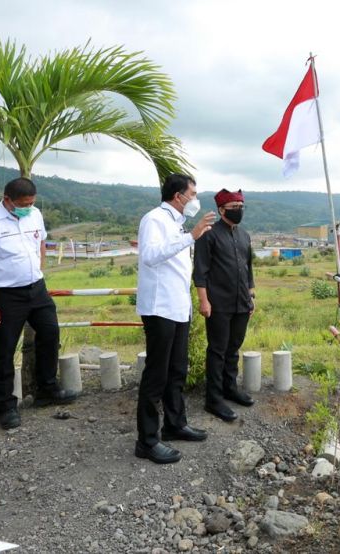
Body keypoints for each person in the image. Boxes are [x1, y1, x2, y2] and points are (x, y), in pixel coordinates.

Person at [0, 177, 76, 430]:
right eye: (23, 204)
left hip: (37, 289)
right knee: (3, 349)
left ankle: (46, 390)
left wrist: (38, 270)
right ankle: (5, 406)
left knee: (50, 334)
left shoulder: (35, 214)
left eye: (31, 202)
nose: (28, 207)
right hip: (4, 295)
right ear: (7, 200)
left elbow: (40, 243)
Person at [135, 173, 216, 464]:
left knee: (177, 370)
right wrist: (190, 237)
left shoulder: (176, 223)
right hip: (159, 308)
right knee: (156, 374)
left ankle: (174, 424)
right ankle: (146, 440)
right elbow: (150, 256)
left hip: (179, 307)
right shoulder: (154, 219)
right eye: (192, 194)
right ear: (177, 195)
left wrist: (187, 236)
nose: (194, 199)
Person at [193, 189, 256, 422]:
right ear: (221, 210)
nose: (238, 210)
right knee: (217, 351)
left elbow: (248, 269)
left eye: (240, 206)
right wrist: (203, 300)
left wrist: (252, 296)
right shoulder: (208, 235)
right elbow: (200, 270)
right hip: (218, 303)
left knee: (233, 348)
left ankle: (231, 388)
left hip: (241, 302)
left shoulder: (244, 235)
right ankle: (213, 399)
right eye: (233, 206)